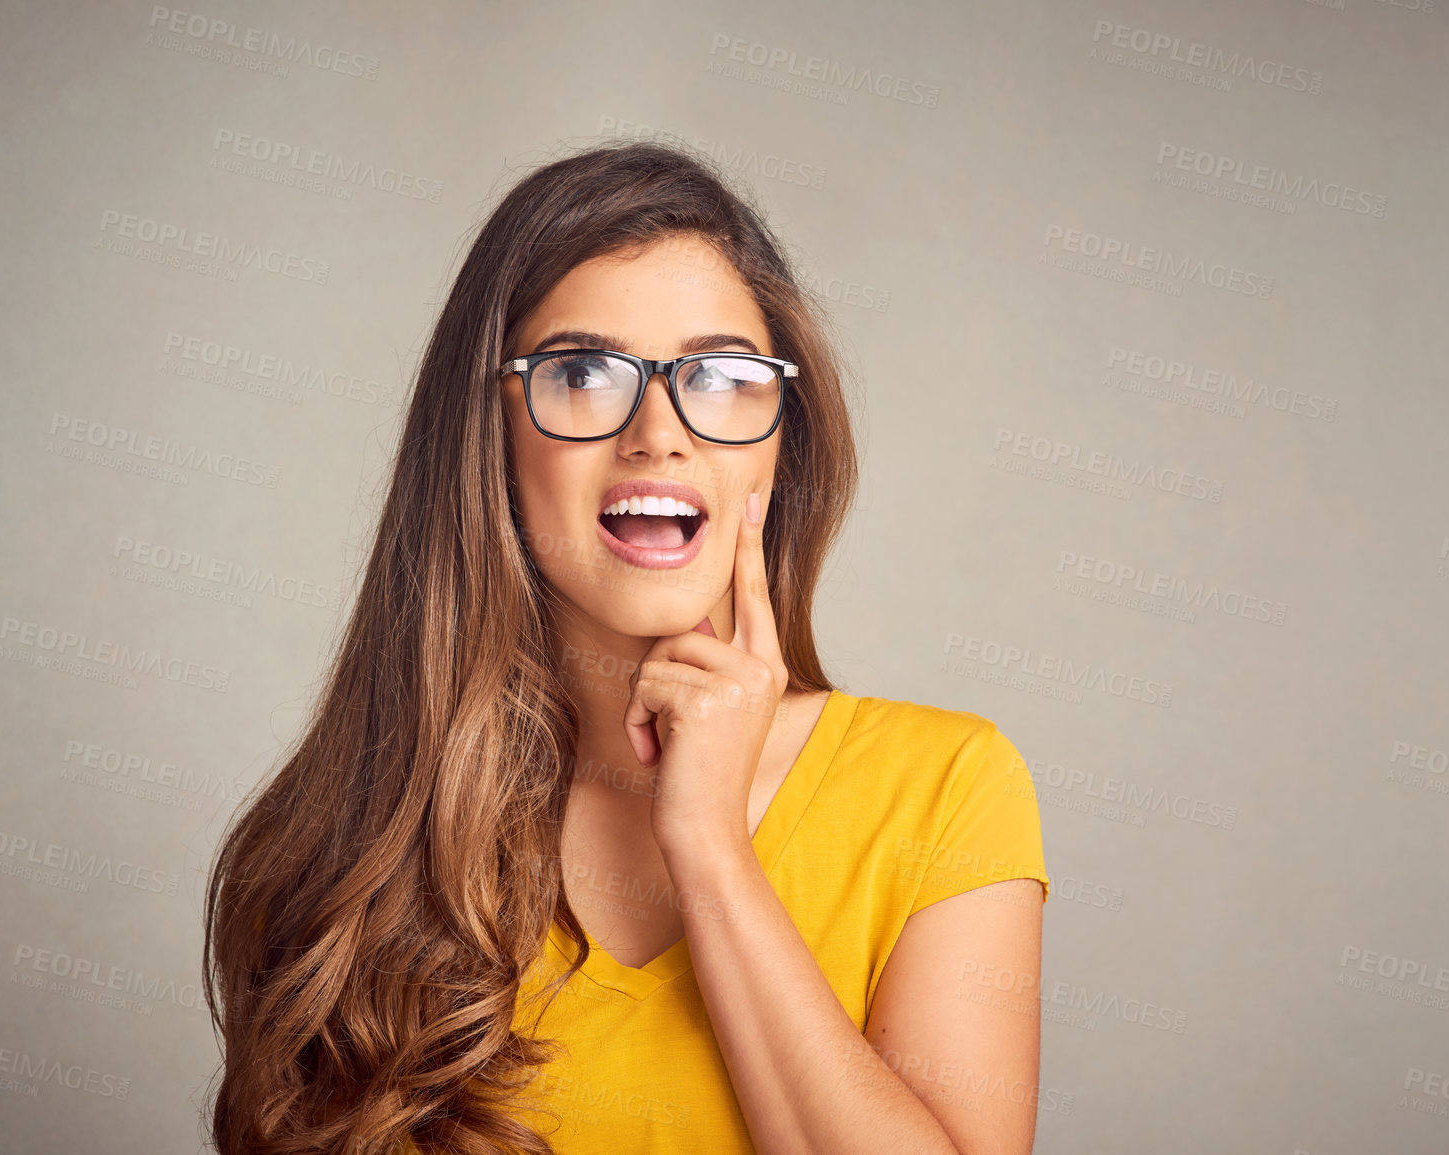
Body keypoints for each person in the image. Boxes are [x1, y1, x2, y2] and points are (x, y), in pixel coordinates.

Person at [203, 140, 1050, 1155]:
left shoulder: (947, 788)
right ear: (490, 435)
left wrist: (708, 849)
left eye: (723, 375)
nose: (661, 432)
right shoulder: (338, 847)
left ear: (781, 449)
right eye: (585, 373)